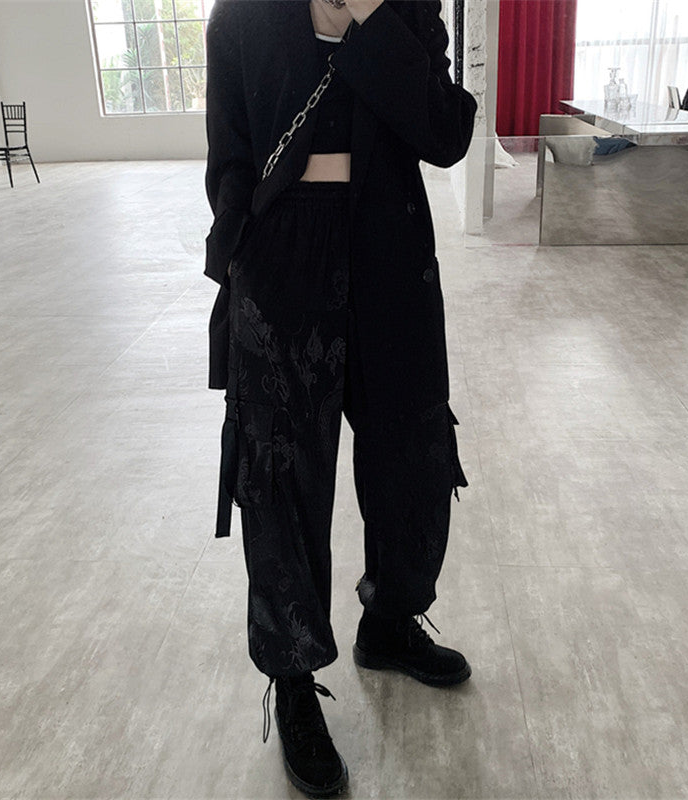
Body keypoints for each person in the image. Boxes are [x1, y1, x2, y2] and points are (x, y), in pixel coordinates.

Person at [204, 0, 478, 795]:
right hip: (282, 260)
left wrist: (369, 16)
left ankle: (390, 622)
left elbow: (445, 134)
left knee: (413, 453)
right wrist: (246, 252)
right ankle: (293, 679)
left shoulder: (407, 11)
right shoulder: (241, 15)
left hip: (391, 251)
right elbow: (229, 155)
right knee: (281, 476)